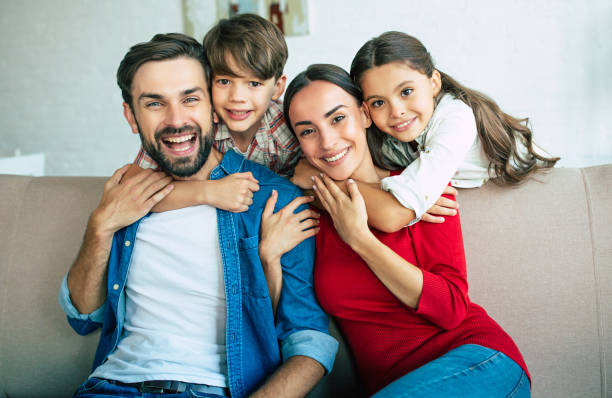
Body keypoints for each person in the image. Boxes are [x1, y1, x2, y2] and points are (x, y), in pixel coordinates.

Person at [58, 33, 337, 398]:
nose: (177, 120)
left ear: (211, 106)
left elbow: (310, 342)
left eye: (190, 99)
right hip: (110, 388)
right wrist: (99, 226)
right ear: (131, 116)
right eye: (154, 104)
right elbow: (82, 318)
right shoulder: (128, 197)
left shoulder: (276, 199)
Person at [278, 63, 531, 397]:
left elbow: (452, 307)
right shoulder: (308, 211)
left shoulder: (419, 190)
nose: (327, 141)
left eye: (338, 118)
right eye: (308, 131)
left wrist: (361, 239)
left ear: (365, 115)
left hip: (478, 361)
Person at [349, 31, 559, 225]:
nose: (396, 111)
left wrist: (416, 196)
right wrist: (417, 193)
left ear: (434, 83)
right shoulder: (390, 132)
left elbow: (398, 208)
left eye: (406, 92)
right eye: (378, 102)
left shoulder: (456, 119)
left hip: (538, 188)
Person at [132, 13, 301, 214]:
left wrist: (307, 173)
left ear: (277, 88)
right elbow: (134, 190)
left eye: (254, 84)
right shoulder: (194, 124)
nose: (237, 97)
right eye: (224, 81)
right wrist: (208, 191)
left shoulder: (288, 127)